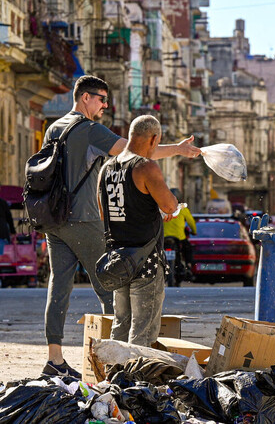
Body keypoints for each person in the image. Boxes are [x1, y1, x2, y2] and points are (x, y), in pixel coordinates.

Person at [39, 75, 200, 379]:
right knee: (112, 283)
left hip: (54, 219)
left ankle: (55, 359)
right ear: (84, 98)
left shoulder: (53, 128)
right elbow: (136, 151)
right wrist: (177, 149)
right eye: (101, 98)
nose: (104, 105)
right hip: (83, 218)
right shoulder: (88, 130)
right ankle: (116, 366)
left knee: (58, 287)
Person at [98, 115, 179, 347]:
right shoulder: (145, 166)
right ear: (154, 139)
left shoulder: (106, 168)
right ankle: (135, 378)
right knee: (143, 330)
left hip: (118, 260)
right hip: (146, 261)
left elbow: (103, 214)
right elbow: (170, 206)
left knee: (121, 324)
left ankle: (117, 376)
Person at [163, 188, 197, 274]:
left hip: (163, 237)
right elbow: (191, 222)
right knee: (188, 249)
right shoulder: (183, 209)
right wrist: (194, 231)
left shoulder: (163, 207)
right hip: (179, 237)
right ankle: (188, 266)